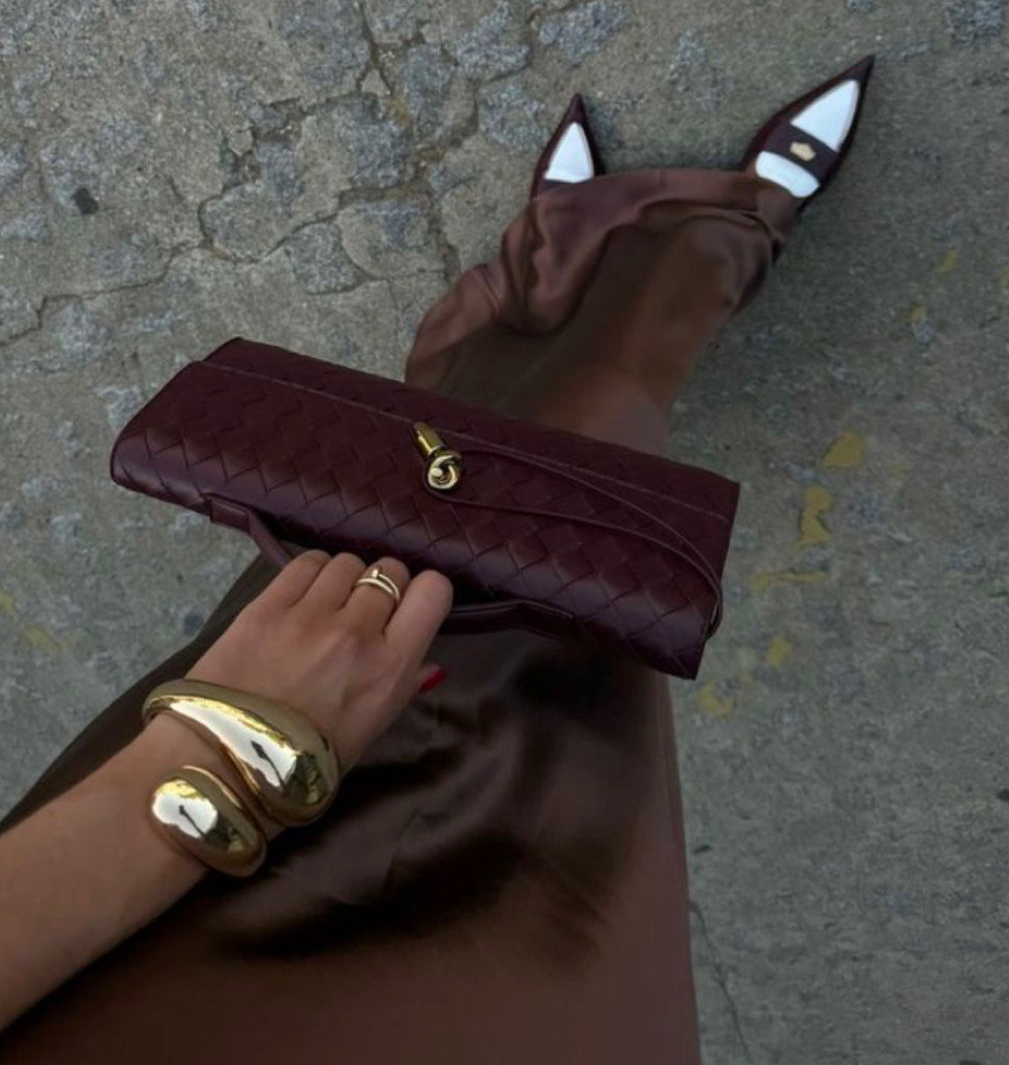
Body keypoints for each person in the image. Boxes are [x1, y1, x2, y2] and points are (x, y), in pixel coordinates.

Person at [0, 56, 874, 1063]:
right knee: (542, 693)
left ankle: (630, 262)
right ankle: (626, 260)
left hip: (101, 899)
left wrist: (222, 751)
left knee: (428, 561)